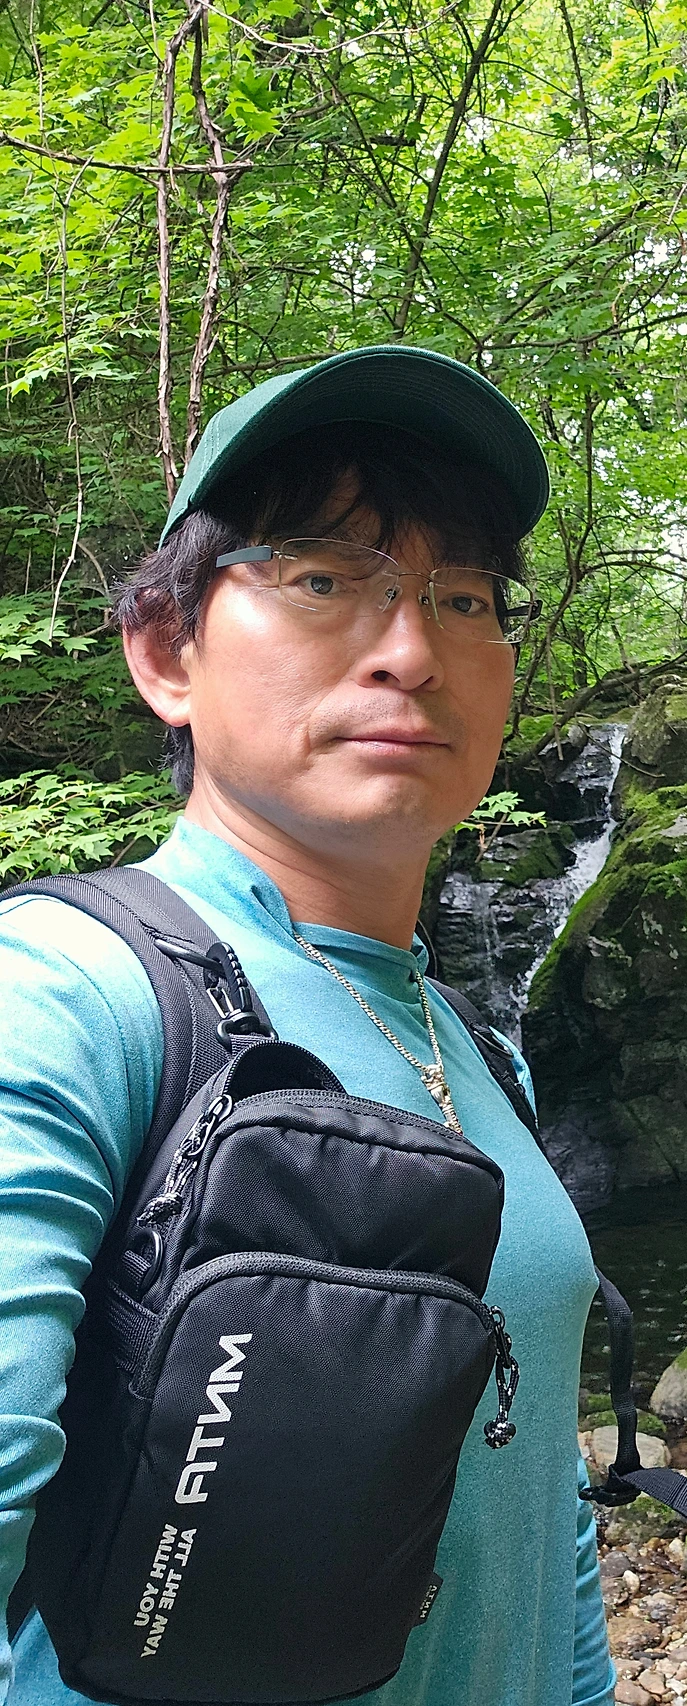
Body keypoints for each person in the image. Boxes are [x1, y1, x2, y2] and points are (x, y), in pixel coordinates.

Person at [0, 347, 615, 1706]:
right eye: (326, 579)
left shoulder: (470, 1042)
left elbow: (540, 1499)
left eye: (463, 597)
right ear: (165, 651)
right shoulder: (66, 996)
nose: (413, 652)